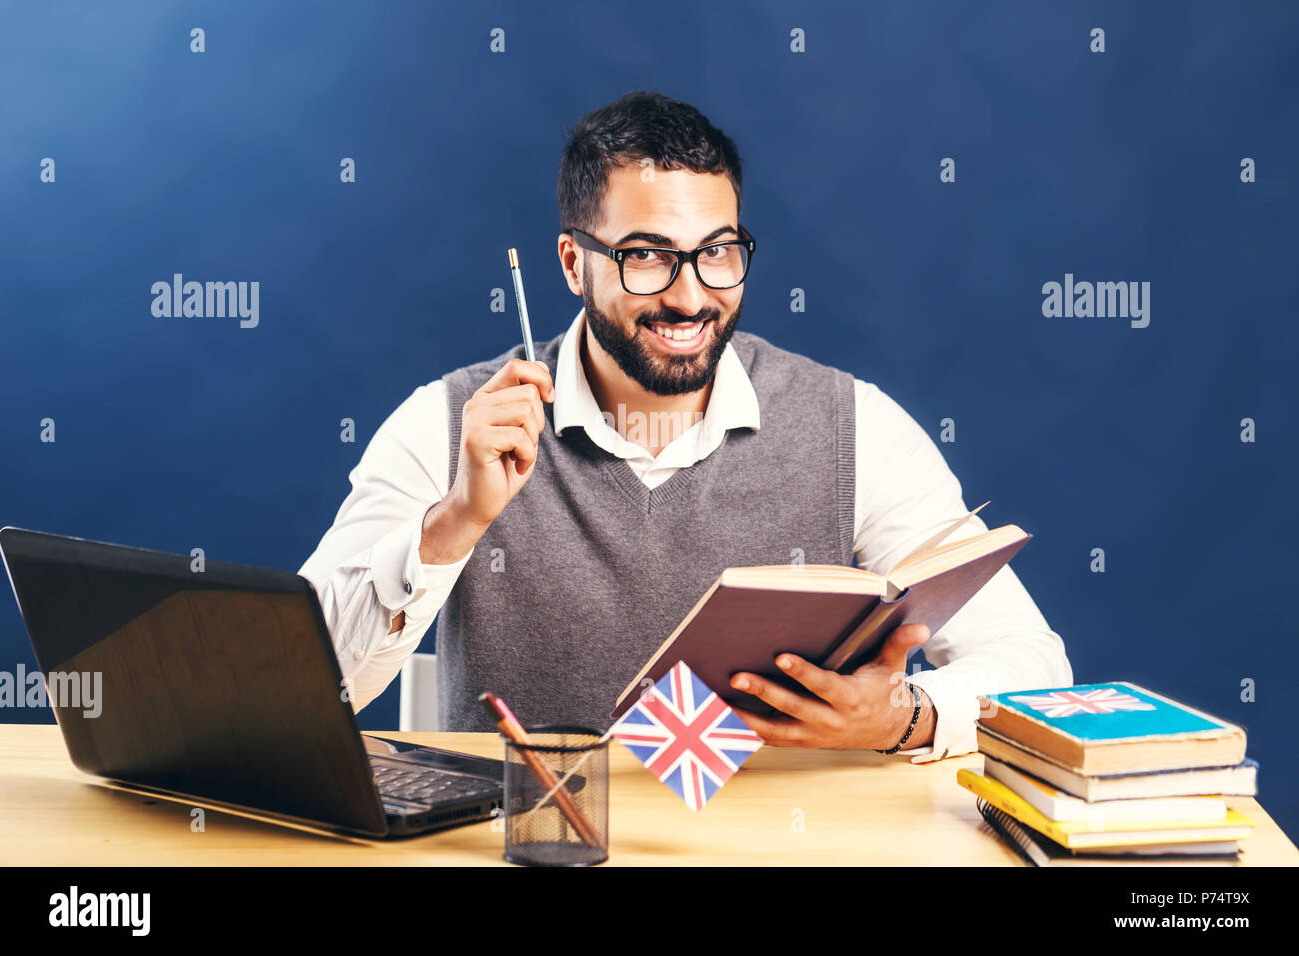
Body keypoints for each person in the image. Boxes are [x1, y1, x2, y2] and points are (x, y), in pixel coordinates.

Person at [300, 90, 1072, 759]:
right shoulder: (450, 425)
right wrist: (451, 526)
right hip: (535, 851)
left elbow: (1031, 661)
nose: (690, 296)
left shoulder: (854, 427)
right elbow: (305, 683)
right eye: (646, 257)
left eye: (718, 252)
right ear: (573, 264)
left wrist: (907, 717)